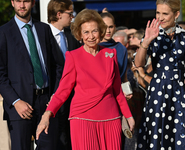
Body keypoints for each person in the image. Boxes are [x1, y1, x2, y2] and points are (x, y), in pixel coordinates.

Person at [36, 9, 135, 150]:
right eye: (86, 32)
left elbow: (117, 90)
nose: (91, 36)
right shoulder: (73, 56)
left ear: (100, 31)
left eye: (94, 31)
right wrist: (47, 115)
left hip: (110, 118)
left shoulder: (110, 54)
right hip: (82, 120)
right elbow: (63, 90)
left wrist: (128, 115)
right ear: (79, 34)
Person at [0, 0, 57, 150]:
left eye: (26, 1)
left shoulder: (44, 29)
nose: (22, 5)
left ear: (33, 3)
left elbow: (56, 65)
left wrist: (55, 94)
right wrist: (15, 101)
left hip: (46, 103)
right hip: (19, 106)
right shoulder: (3, 32)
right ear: (12, 2)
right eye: (18, 1)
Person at [134, 0, 184, 149]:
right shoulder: (152, 35)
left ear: (176, 14)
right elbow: (138, 64)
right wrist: (147, 41)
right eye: (158, 13)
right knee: (157, 131)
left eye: (165, 13)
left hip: (180, 92)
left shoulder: (183, 37)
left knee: (180, 131)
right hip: (158, 92)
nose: (160, 17)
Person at [47, 0, 81, 149]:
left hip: (72, 99)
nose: (72, 17)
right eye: (70, 13)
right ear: (59, 14)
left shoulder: (72, 36)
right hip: (50, 98)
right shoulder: (42, 35)